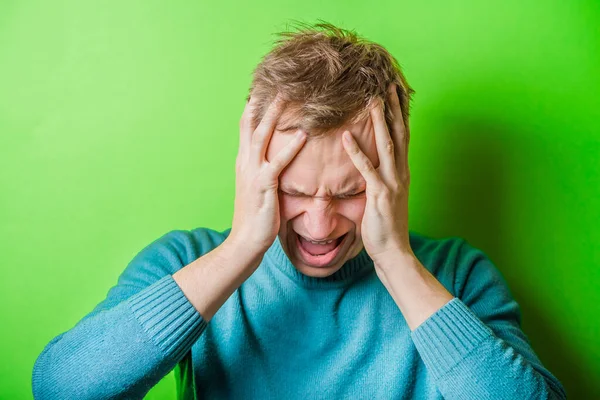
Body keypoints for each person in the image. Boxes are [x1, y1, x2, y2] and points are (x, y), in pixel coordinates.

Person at [32, 21, 566, 399]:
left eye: (351, 192)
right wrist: (241, 249)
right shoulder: (185, 261)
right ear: (251, 170)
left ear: (396, 179)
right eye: (293, 190)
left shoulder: (456, 275)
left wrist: (398, 262)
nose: (319, 226)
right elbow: (61, 388)